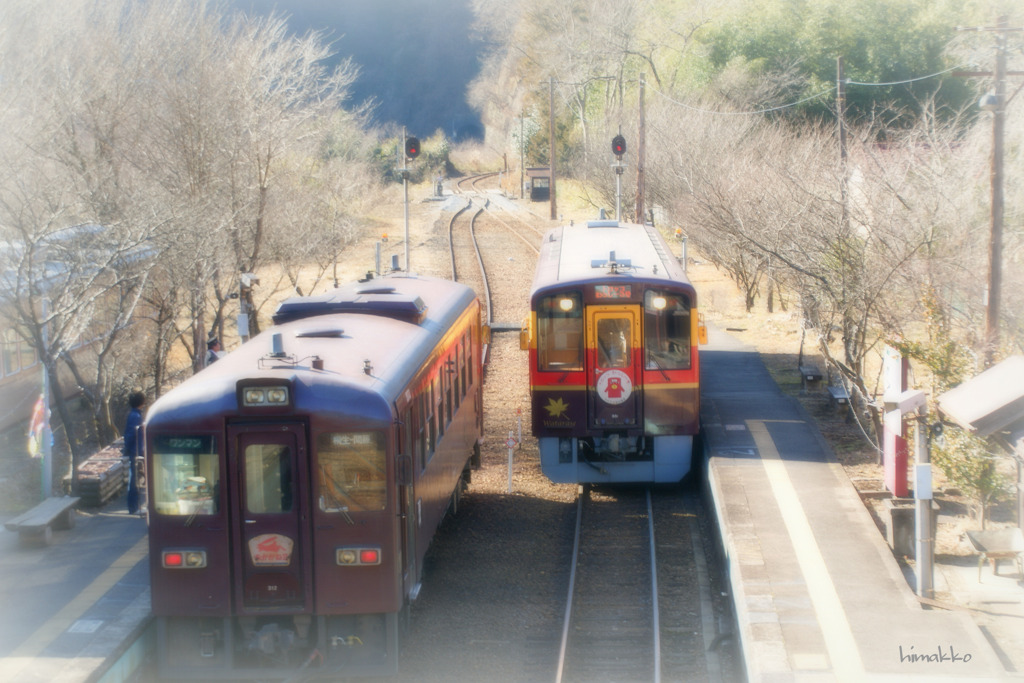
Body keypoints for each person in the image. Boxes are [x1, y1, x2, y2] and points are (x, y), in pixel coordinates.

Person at [123, 390, 146, 515]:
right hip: (135, 452)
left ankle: (135, 506)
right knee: (134, 481)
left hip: (136, 451)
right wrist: (135, 450)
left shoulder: (134, 415)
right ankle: (133, 507)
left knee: (136, 479)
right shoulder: (136, 417)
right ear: (141, 402)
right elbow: (132, 435)